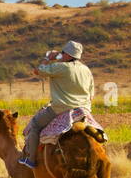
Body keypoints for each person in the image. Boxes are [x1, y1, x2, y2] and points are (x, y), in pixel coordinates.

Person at [20, 40, 95, 169]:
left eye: (63, 53)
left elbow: (38, 71)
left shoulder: (61, 67)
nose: (62, 55)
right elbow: (92, 94)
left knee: (35, 124)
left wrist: (48, 58)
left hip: (61, 108)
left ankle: (31, 159)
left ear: (69, 55)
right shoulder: (86, 69)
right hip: (84, 109)